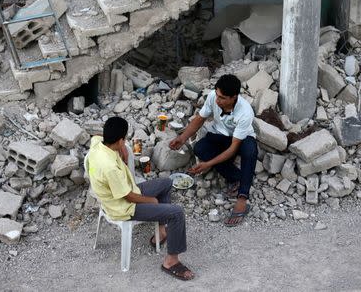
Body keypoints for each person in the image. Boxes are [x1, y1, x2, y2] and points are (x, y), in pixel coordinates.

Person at [88, 116, 194, 280]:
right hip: (124, 207)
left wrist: (121, 148)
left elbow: (97, 137)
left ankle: (161, 232)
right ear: (121, 139)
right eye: (124, 140)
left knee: (166, 183)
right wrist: (151, 201)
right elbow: (129, 197)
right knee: (176, 213)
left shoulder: (97, 145)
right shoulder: (109, 168)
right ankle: (171, 261)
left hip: (128, 189)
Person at [169, 74, 258, 227]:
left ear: (234, 97)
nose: (217, 100)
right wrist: (182, 138)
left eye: (222, 98)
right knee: (200, 148)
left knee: (250, 151)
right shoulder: (213, 97)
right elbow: (199, 119)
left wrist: (208, 164)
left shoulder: (245, 112)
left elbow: (233, 149)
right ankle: (238, 177)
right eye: (217, 95)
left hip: (240, 140)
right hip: (219, 134)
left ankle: (242, 198)